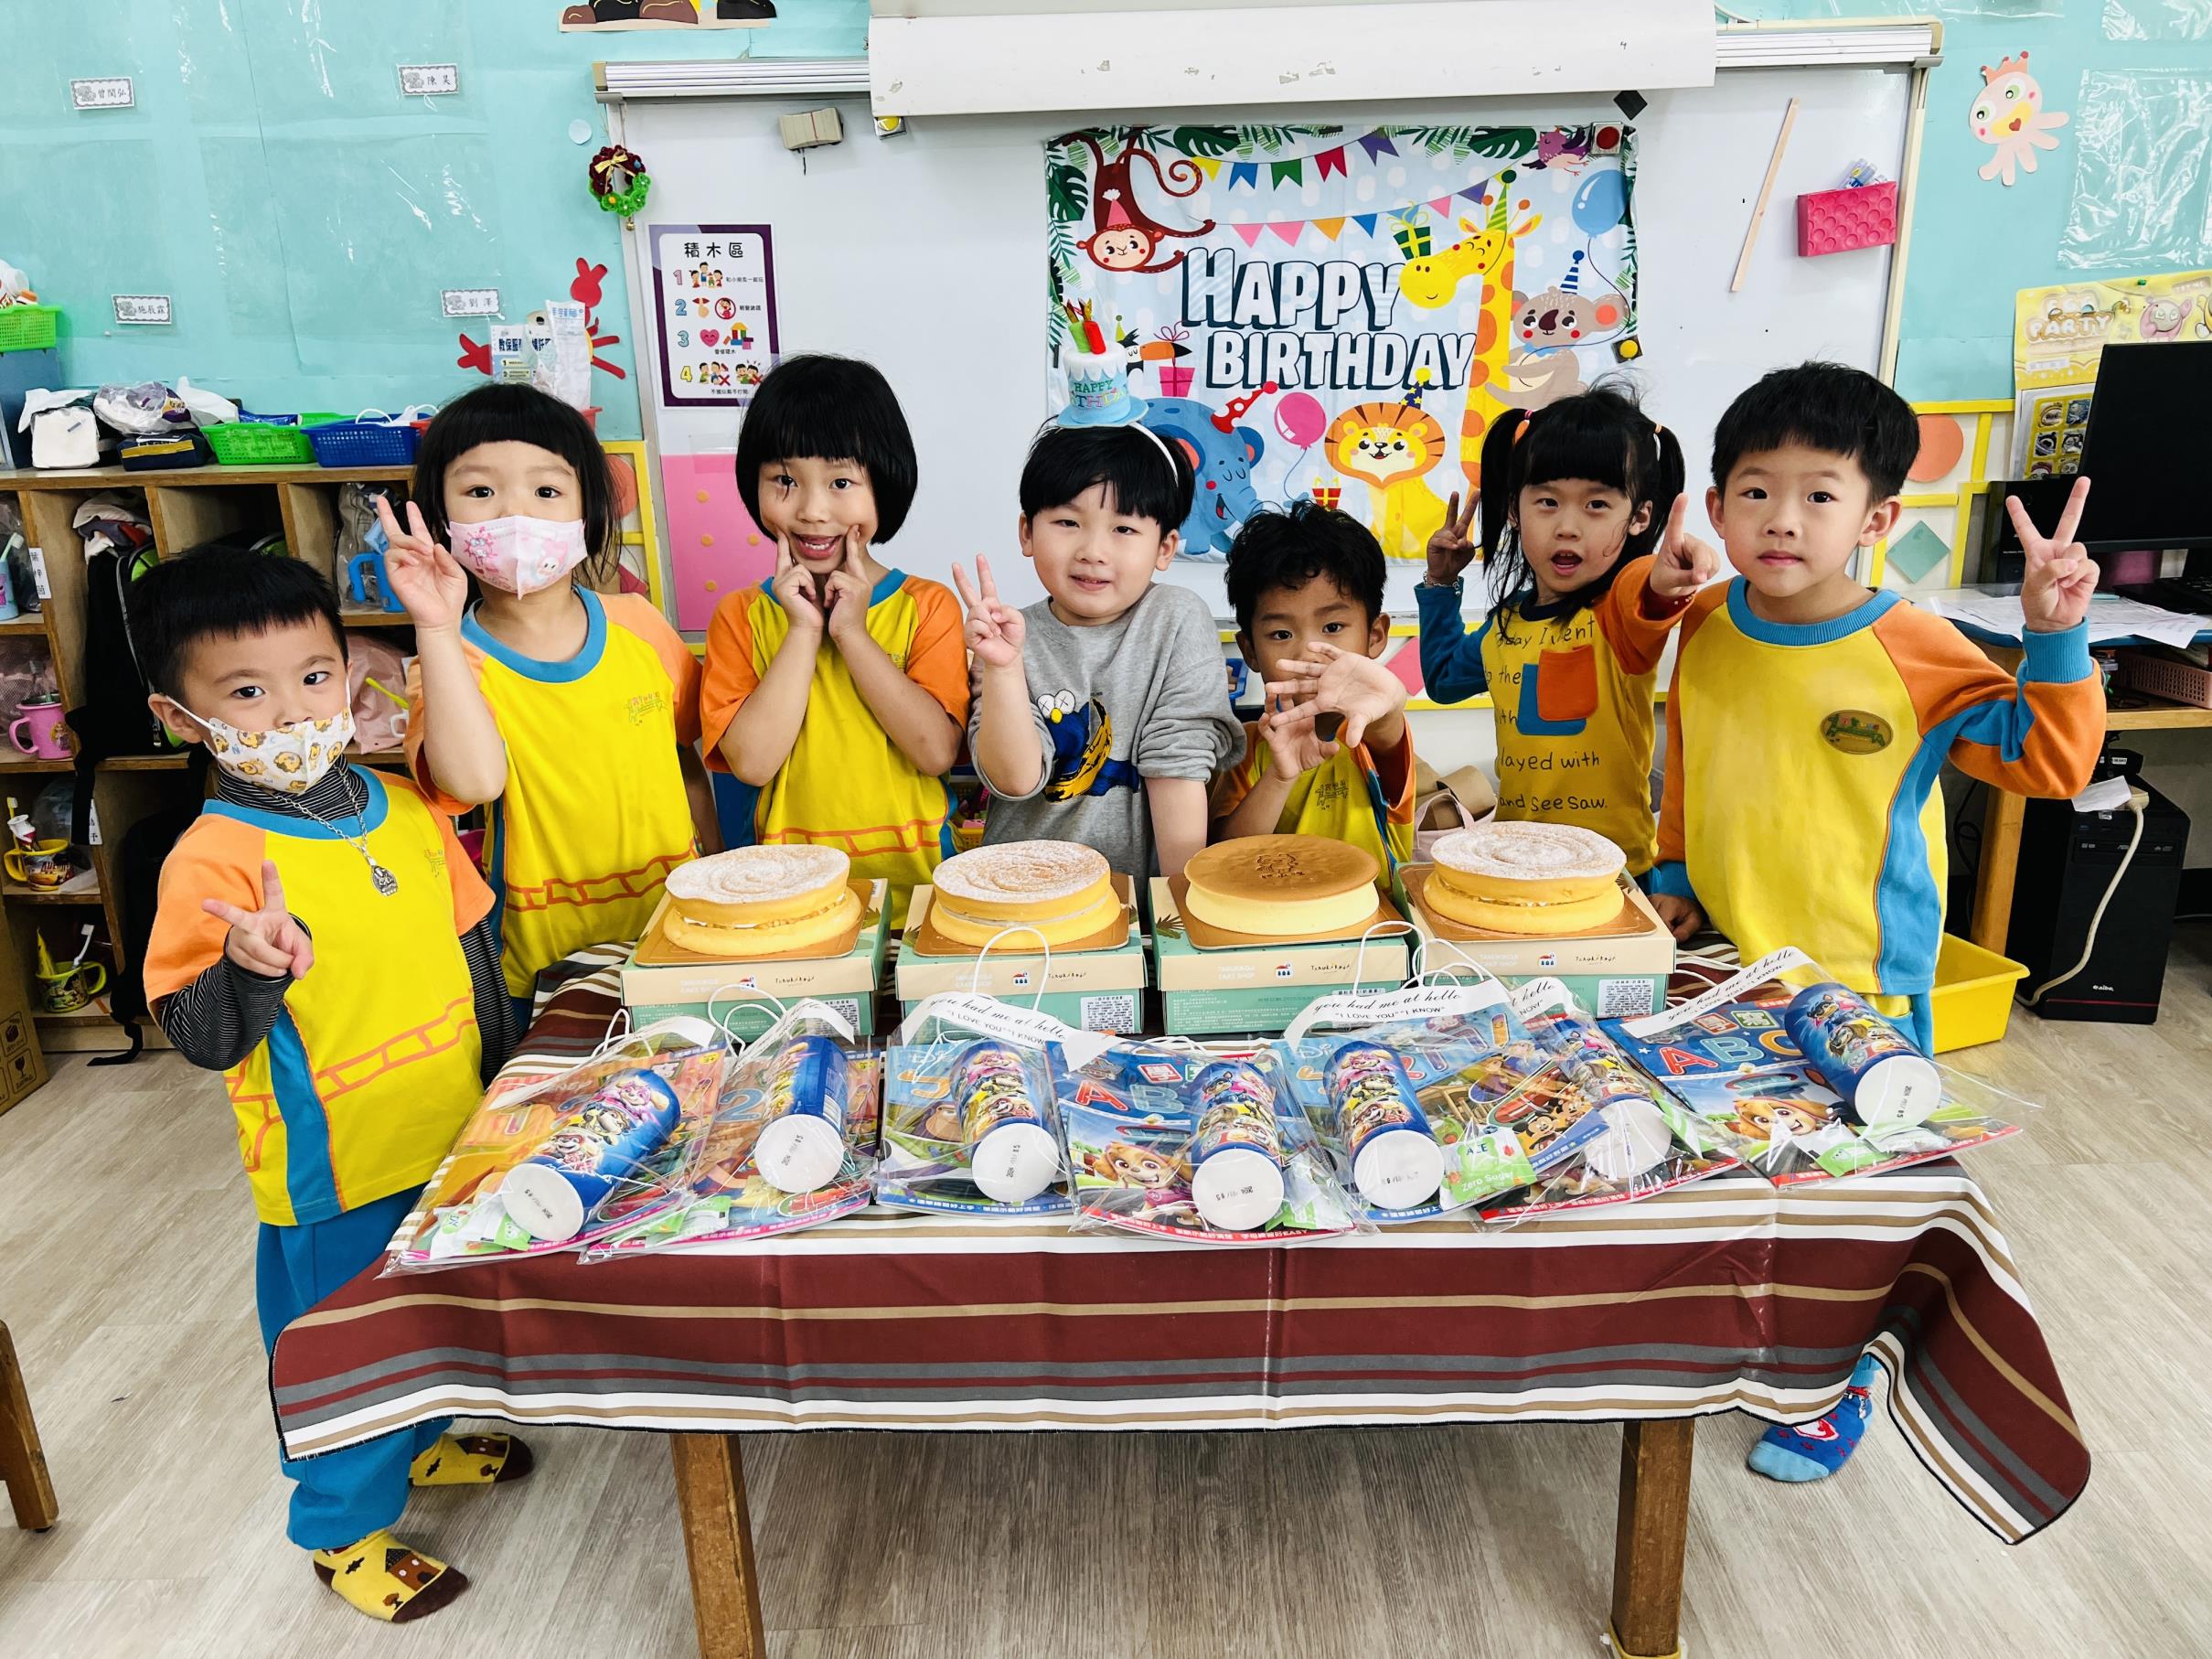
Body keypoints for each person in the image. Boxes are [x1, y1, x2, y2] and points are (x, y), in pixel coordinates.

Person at [1651, 361, 2101, 1484]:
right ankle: (1754, 1333)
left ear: (1876, 518)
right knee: (1746, 1170)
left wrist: (2052, 637)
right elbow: (1689, 755)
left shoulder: (1916, 644)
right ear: (1717, 506)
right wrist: (1672, 867)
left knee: (1856, 1203)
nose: (1782, 519)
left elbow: (2048, 761)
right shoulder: (1704, 621)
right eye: (1756, 491)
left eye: (1819, 493)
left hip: (1863, 986)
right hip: (1721, 964)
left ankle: (1836, 1381)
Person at [135, 548, 524, 1624]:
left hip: (448, 1132)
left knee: (434, 1309)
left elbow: (472, 946)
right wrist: (249, 965)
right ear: (180, 716)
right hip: (335, 1167)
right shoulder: (211, 858)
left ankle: (422, 1442)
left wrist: (504, 1088)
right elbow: (201, 1035)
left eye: (313, 675)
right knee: (345, 1347)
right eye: (246, 692)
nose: (295, 710)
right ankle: (340, 1531)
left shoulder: (401, 804)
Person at [383, 384, 711, 1027]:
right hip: (541, 962)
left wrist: (717, 872)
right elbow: (472, 784)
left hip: (675, 933)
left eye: (546, 490)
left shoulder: (639, 625)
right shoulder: (446, 665)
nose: (516, 514)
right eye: (481, 491)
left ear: (589, 511)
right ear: (440, 518)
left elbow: (686, 758)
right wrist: (435, 626)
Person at [699, 356, 967, 924]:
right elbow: (752, 764)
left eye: (841, 482)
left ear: (883, 485)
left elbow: (935, 752)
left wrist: (851, 633)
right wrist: (803, 629)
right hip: (789, 901)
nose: (812, 511)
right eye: (785, 481)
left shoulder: (927, 605)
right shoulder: (740, 616)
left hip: (919, 896)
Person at [1416, 387, 1716, 877]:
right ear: (1514, 510)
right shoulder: (1507, 623)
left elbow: (1647, 590)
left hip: (1614, 872)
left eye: (1596, 504)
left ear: (1639, 518)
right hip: (1515, 858)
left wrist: (1666, 579)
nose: (1567, 527)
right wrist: (1441, 584)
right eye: (1548, 501)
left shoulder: (1619, 612)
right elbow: (1444, 681)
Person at [956, 423, 1243, 880]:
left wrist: (1179, 899)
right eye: (1068, 523)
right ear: (1027, 532)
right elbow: (1015, 781)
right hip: (1018, 893)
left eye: (1124, 528)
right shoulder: (1004, 639)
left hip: (1136, 899)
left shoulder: (1175, 619)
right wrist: (1005, 669)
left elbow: (1178, 765)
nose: (1093, 551)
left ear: (1165, 547)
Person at [1211, 499, 1415, 871]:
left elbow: (1387, 728)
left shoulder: (1373, 733)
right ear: (1250, 651)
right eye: (1281, 633)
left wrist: (1392, 702)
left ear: (1375, 636)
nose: (1308, 651)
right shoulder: (1247, 747)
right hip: (1275, 907)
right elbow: (1225, 860)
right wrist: (1279, 777)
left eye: (1333, 627)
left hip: (1374, 906)